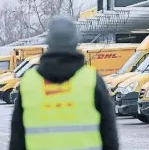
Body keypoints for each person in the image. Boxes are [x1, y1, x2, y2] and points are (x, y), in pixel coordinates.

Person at [9, 17, 119, 150]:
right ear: (75, 42)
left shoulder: (29, 83)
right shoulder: (92, 80)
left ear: (49, 43)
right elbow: (109, 134)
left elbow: (17, 138)